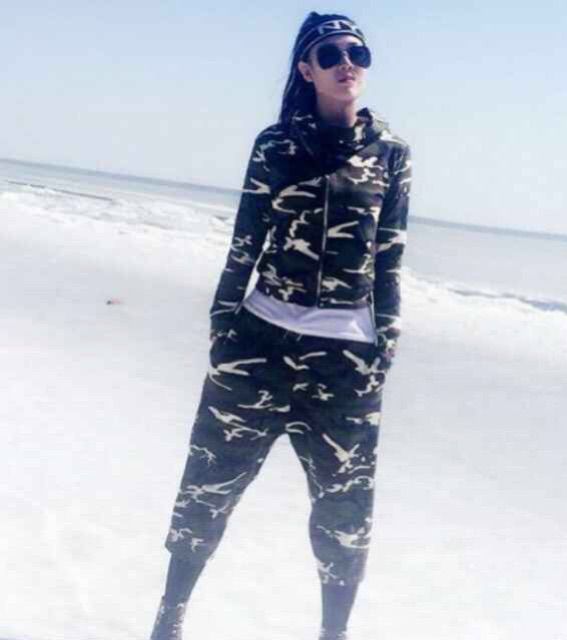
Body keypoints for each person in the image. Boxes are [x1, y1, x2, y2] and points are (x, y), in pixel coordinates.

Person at [149, 11, 412, 640]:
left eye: (358, 54)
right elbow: (246, 241)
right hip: (259, 346)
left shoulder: (391, 154)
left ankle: (332, 634)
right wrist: (223, 329)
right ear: (306, 69)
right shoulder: (275, 146)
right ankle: (169, 618)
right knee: (208, 486)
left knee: (345, 512)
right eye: (331, 54)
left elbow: (390, 258)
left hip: (345, 362)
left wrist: (384, 346)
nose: (347, 64)